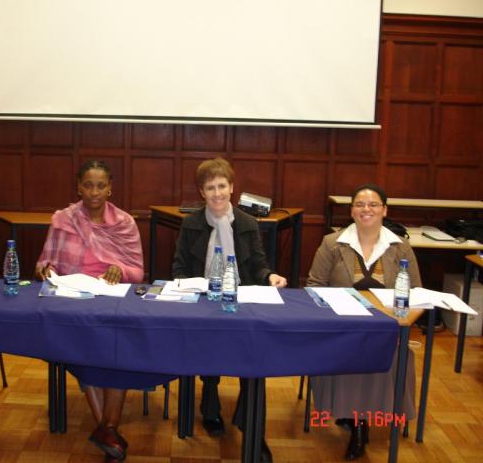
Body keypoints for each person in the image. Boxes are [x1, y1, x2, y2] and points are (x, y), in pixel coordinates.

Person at [172, 158, 287, 463]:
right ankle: (209, 402)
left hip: (242, 301)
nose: (218, 193)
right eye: (211, 187)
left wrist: (269, 277)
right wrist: (192, 285)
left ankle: (252, 428)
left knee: (255, 356)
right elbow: (179, 267)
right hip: (202, 302)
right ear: (202, 192)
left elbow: (259, 265)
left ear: (232, 188)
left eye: (222, 185)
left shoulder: (248, 223)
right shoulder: (191, 223)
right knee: (209, 342)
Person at [35, 160, 144, 462]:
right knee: (85, 346)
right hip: (74, 301)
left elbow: (137, 272)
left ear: (110, 187)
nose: (94, 192)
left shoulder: (124, 223)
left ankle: (106, 430)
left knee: (118, 348)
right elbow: (46, 262)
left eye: (101, 185)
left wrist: (118, 268)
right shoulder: (62, 219)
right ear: (78, 186)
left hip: (113, 299)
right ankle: (108, 431)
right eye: (88, 185)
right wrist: (45, 270)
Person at [307, 183, 421, 460]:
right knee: (351, 351)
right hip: (341, 327)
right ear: (352, 210)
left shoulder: (399, 246)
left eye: (372, 205)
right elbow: (314, 285)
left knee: (389, 352)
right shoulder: (332, 244)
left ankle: (360, 419)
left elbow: (416, 292)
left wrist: (401, 317)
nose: (365, 209)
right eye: (359, 204)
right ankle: (358, 423)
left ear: (384, 210)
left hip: (386, 328)